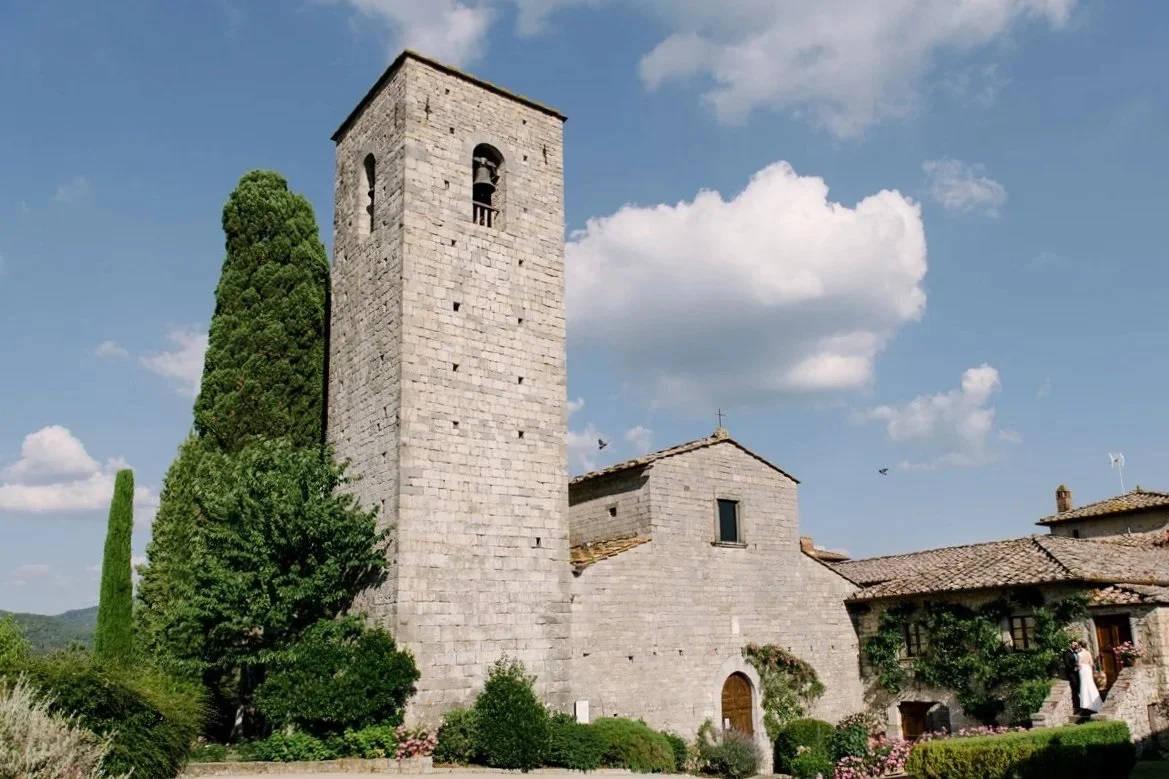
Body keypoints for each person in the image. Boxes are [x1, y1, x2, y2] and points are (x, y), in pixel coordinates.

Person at [1076, 642, 1104, 713]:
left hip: (1082, 669)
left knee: (1084, 684)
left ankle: (1086, 703)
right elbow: (1091, 663)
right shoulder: (1088, 653)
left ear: (1080, 646)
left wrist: (1078, 665)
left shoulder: (1080, 653)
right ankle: (1094, 703)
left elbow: (1078, 663)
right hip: (1087, 669)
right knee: (1090, 684)